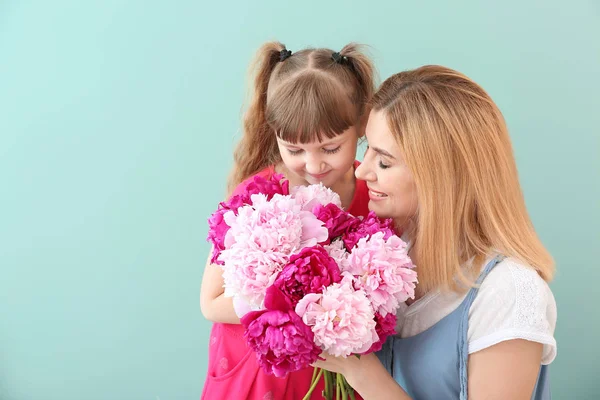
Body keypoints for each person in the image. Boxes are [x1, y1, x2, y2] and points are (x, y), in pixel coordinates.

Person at [313, 65, 557, 400]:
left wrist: (363, 375)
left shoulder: (509, 293)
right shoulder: (382, 255)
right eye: (366, 150)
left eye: (384, 162)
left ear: (441, 176)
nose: (364, 171)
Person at [200, 41, 376, 399]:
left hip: (341, 377)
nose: (313, 166)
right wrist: (299, 304)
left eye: (330, 148)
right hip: (260, 375)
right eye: (295, 150)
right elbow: (211, 302)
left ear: (360, 125)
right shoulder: (256, 197)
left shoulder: (374, 194)